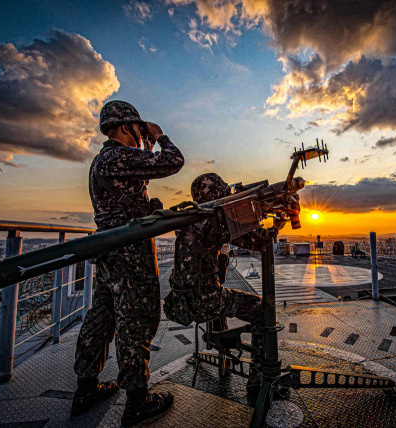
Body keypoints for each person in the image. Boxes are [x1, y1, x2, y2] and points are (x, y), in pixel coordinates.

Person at [71, 100, 184, 427]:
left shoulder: (101, 161)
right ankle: (137, 400)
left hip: (108, 252)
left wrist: (144, 143)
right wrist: (160, 137)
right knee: (136, 320)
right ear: (124, 127)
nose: (141, 134)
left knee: (102, 317)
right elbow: (173, 161)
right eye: (137, 128)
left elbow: (136, 185)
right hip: (130, 255)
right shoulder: (119, 156)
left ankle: (85, 388)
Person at [164, 173, 265, 329]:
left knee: (221, 294)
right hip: (206, 302)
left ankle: (222, 340)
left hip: (182, 303)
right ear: (215, 192)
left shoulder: (185, 221)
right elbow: (261, 242)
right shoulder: (215, 222)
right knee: (262, 308)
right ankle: (261, 353)